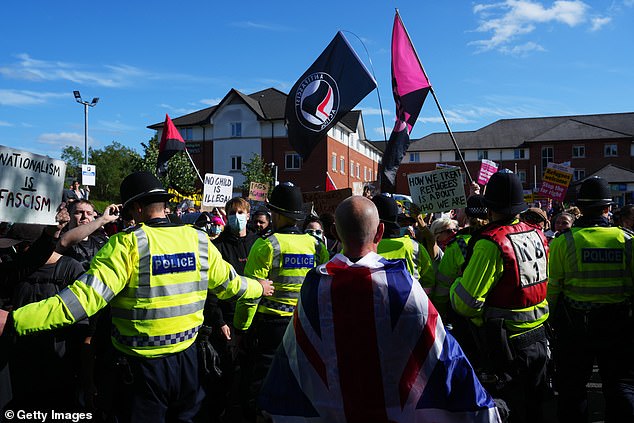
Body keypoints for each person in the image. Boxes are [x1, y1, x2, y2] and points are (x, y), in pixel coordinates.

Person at [0, 171, 274, 422]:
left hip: (143, 371)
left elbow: (82, 300)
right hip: (189, 364)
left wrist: (15, 320)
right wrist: (259, 287)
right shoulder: (199, 240)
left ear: (137, 208)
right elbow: (233, 286)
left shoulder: (127, 244)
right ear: (164, 206)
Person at [258, 196, 501, 422]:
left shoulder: (315, 286)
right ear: (380, 232)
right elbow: (441, 351)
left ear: (334, 233)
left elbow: (291, 355)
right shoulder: (403, 286)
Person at [450, 170, 550, 423]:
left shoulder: (490, 243)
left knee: (510, 411)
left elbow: (466, 304)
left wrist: (458, 283)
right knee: (536, 407)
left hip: (507, 346)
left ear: (489, 206)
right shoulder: (537, 233)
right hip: (540, 337)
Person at [234, 183, 329, 421]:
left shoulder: (266, 244)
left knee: (262, 383)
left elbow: (251, 293)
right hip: (306, 325)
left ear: (275, 213)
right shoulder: (316, 246)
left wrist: (241, 328)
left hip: (271, 328)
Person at [547, 176, 634, 423]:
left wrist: (552, 320)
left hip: (576, 327)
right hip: (619, 325)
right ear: (608, 208)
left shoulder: (564, 242)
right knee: (620, 386)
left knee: (572, 389)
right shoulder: (628, 240)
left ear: (580, 208)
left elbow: (554, 289)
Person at [204, 197, 259, 422]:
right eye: (232, 213)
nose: (237, 217)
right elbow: (212, 289)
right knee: (224, 373)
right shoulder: (218, 246)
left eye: (240, 213)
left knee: (250, 373)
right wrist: (219, 321)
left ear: (248, 215)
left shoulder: (258, 243)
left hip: (254, 318)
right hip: (227, 319)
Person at [434, 195, 488, 318]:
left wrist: (441, 315)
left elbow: (443, 286)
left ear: (467, 216)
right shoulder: (500, 239)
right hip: (499, 314)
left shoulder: (457, 245)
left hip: (467, 316)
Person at [372, 194, 435, 294]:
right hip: (408, 307)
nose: (408, 225)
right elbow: (429, 283)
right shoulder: (415, 247)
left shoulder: (354, 248)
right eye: (403, 221)